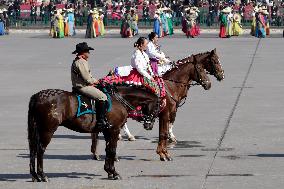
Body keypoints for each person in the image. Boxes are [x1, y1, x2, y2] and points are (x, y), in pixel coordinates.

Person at [71, 42, 111, 130]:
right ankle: (100, 121)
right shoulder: (81, 62)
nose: (89, 53)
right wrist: (98, 82)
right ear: (83, 52)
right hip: (82, 87)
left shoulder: (82, 61)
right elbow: (87, 78)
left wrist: (97, 81)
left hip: (84, 84)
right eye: (88, 51)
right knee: (103, 97)